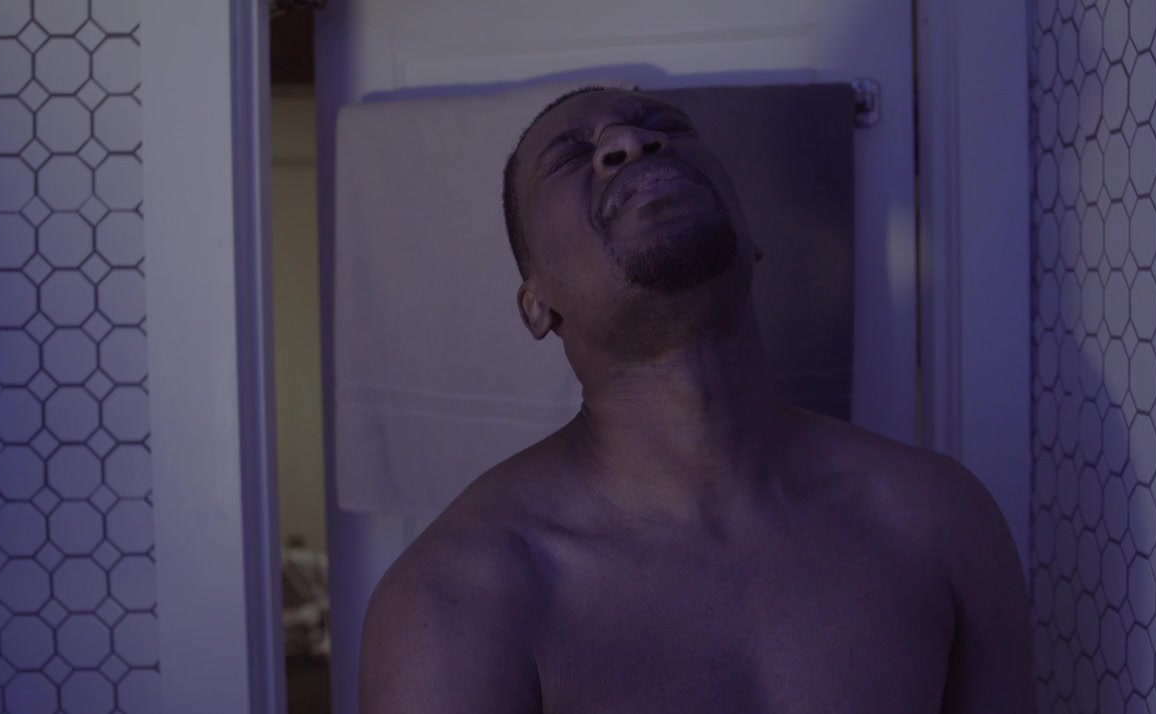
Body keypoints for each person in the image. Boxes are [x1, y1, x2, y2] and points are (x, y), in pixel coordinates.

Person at [359, 85, 1034, 713]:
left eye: (668, 128)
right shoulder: (454, 599)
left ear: (752, 236)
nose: (631, 140)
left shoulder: (939, 519)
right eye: (569, 156)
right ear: (537, 305)